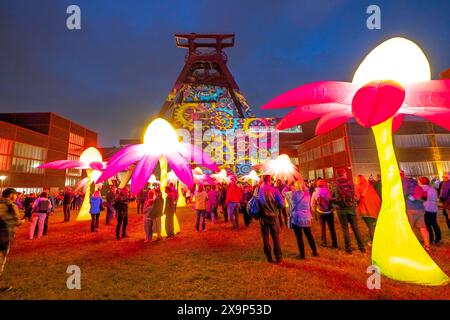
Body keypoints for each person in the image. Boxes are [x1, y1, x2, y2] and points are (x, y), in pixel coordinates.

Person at [332, 168, 366, 254]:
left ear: (337, 174)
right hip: (351, 208)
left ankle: (348, 249)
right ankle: (362, 247)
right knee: (356, 228)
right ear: (344, 173)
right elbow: (356, 196)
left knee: (345, 229)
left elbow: (333, 196)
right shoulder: (350, 182)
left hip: (341, 210)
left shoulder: (335, 184)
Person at [283, 180, 318, 259]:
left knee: (299, 237)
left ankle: (302, 255)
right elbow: (306, 188)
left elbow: (283, 192)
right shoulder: (307, 194)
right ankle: (315, 252)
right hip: (306, 218)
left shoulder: (292, 194)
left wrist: (288, 185)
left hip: (297, 219)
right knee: (309, 235)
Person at [257, 175, 285, 264]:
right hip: (273, 216)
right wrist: (276, 207)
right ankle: (278, 257)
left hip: (263, 217)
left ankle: (268, 257)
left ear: (263, 180)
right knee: (275, 237)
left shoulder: (258, 190)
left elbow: (255, 203)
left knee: (265, 238)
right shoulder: (275, 190)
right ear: (270, 180)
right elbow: (282, 204)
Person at [401, 170, 430, 251]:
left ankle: (410, 246)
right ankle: (427, 246)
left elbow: (402, 195)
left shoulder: (403, 182)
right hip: (420, 209)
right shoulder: (414, 182)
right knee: (423, 228)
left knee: (409, 228)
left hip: (410, 208)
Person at [0, 188, 23, 292]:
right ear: (10, 195)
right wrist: (23, 220)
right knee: (1, 260)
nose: (17, 196)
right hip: (3, 236)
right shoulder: (11, 206)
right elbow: (15, 222)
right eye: (15, 194)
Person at [311, 180, 337, 248]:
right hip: (329, 212)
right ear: (324, 185)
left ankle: (324, 242)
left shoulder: (315, 193)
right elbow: (331, 200)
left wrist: (315, 211)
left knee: (322, 227)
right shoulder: (328, 191)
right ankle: (334, 243)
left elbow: (312, 204)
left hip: (321, 212)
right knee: (332, 228)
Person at [355, 175, 381, 244]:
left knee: (371, 227)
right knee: (375, 225)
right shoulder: (369, 186)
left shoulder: (358, 188)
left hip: (366, 210)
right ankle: (379, 240)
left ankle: (374, 242)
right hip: (376, 208)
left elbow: (357, 198)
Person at [419, 177, 441, 245]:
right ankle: (438, 238)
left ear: (421, 182)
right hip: (433, 208)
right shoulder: (432, 189)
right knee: (434, 224)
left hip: (425, 208)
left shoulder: (421, 188)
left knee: (427, 225)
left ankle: (430, 239)